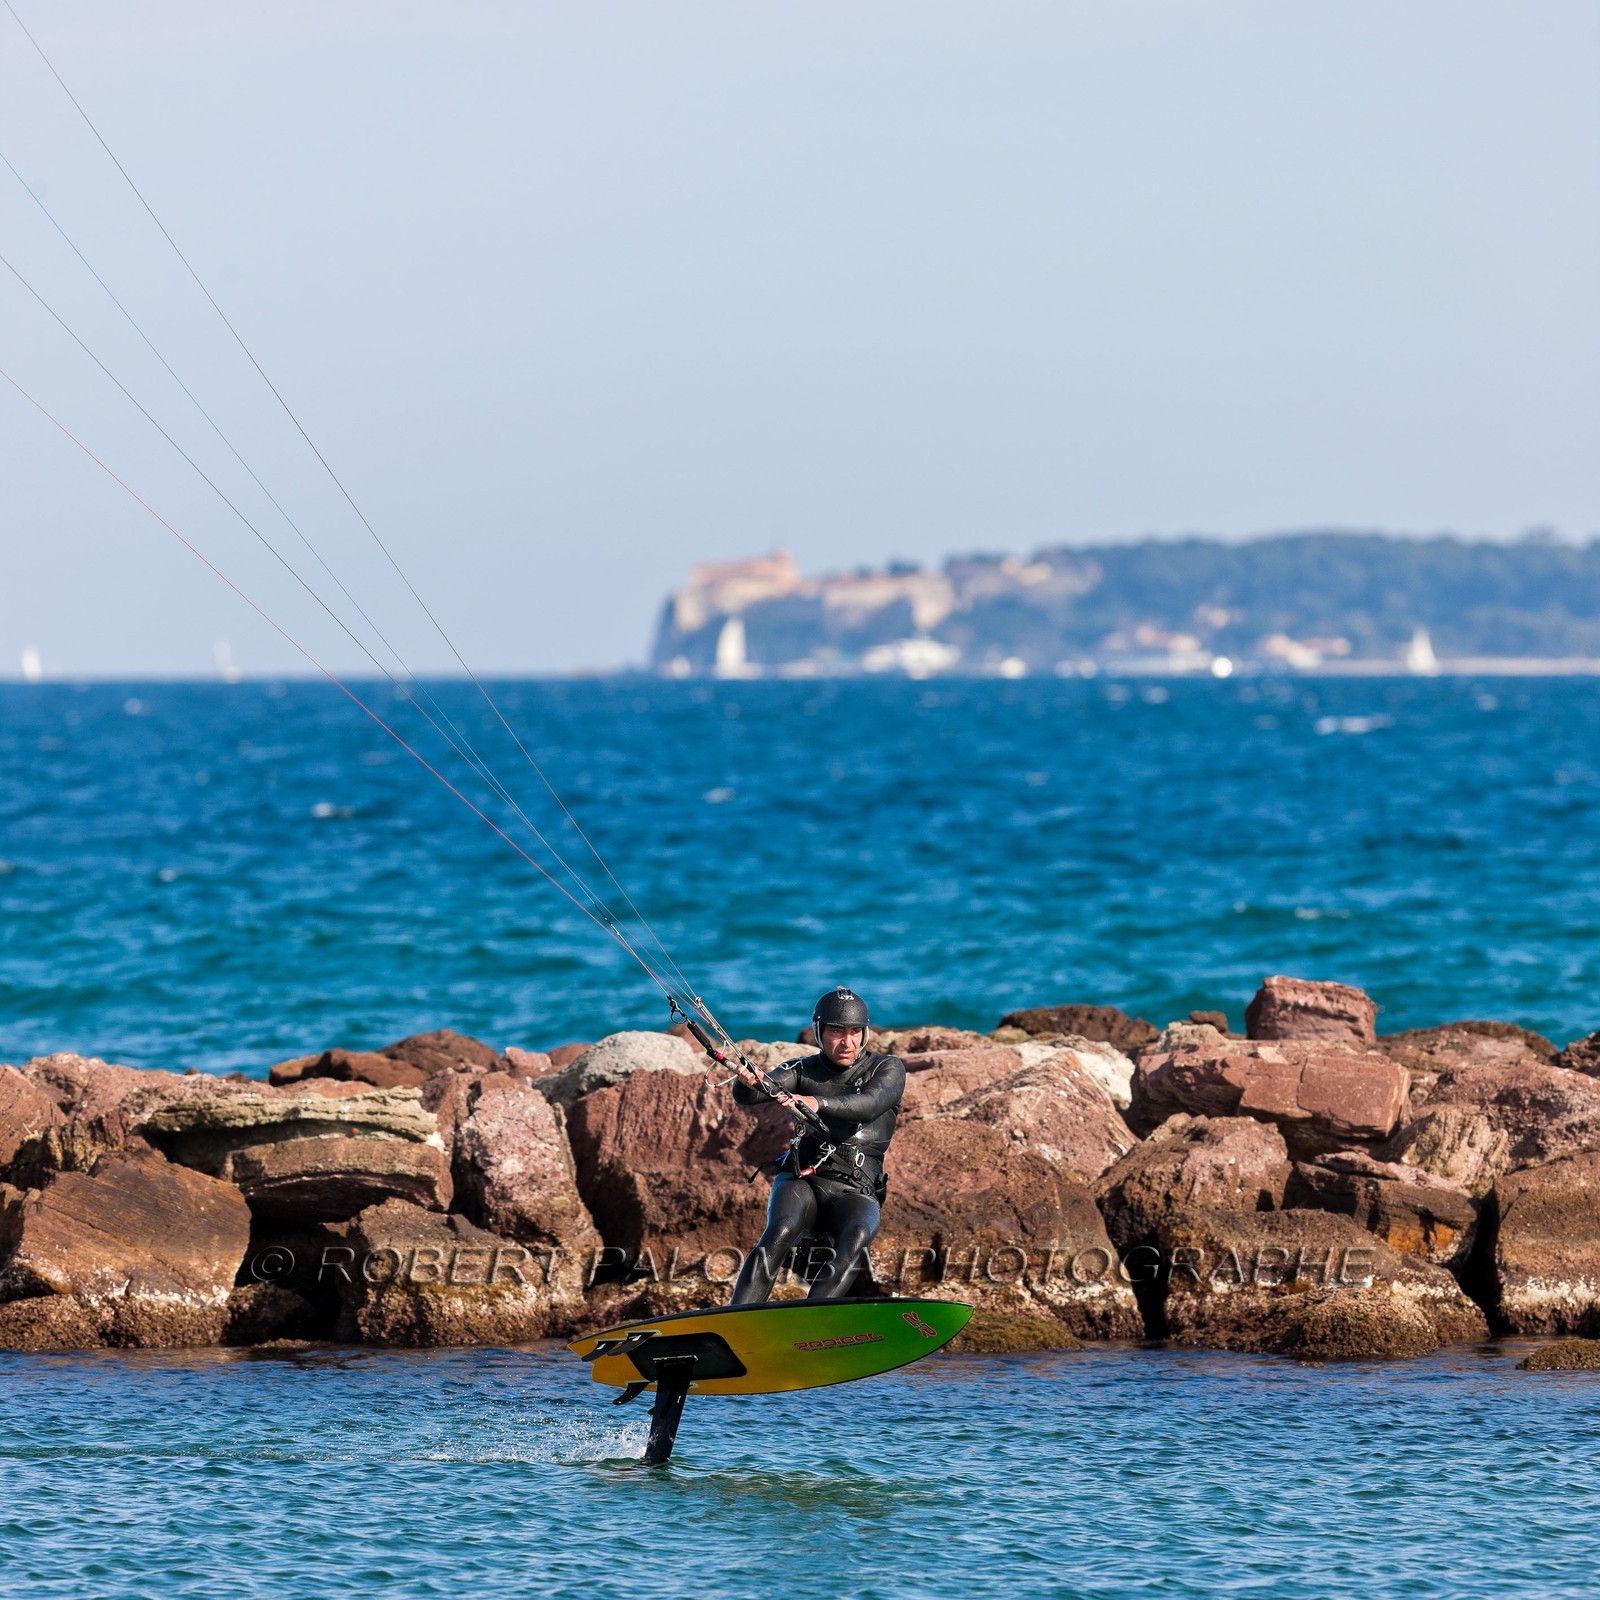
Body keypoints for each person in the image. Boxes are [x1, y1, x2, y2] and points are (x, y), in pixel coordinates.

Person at [729, 986, 906, 1305]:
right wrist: (747, 1084)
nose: (846, 1041)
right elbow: (755, 1095)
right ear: (819, 1032)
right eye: (837, 1031)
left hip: (855, 1189)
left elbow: (868, 1104)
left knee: (858, 1236)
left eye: (854, 1032)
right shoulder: (800, 1069)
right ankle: (735, 1318)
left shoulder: (887, 1069)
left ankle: (813, 1319)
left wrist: (816, 1102)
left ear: (865, 1034)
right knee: (782, 1230)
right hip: (803, 1180)